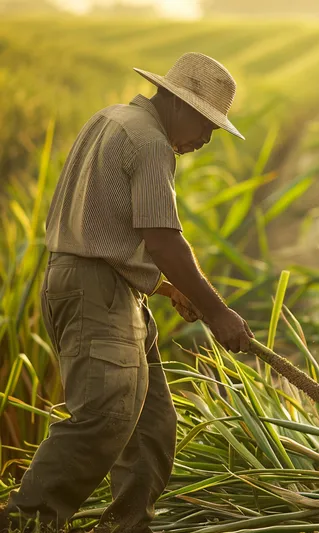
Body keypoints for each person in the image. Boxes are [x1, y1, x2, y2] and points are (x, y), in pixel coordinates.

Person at [0, 52, 254, 533]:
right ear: (185, 108)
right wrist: (216, 311)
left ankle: (128, 525)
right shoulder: (151, 141)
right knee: (106, 415)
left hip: (96, 285)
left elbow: (102, 222)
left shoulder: (110, 119)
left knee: (150, 425)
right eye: (209, 129)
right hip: (95, 293)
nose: (204, 141)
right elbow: (162, 238)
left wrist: (161, 285)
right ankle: (25, 522)